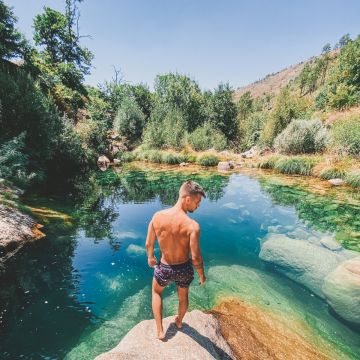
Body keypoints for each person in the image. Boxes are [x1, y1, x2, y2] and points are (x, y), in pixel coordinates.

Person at [145, 180, 206, 340]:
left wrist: (151, 257)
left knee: (156, 292)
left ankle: (160, 330)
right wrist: (201, 275)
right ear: (187, 199)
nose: (198, 206)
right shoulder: (192, 226)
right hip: (184, 269)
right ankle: (179, 321)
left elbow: (148, 243)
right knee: (183, 297)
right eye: (197, 201)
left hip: (164, 267)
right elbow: (196, 258)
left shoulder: (157, 217)